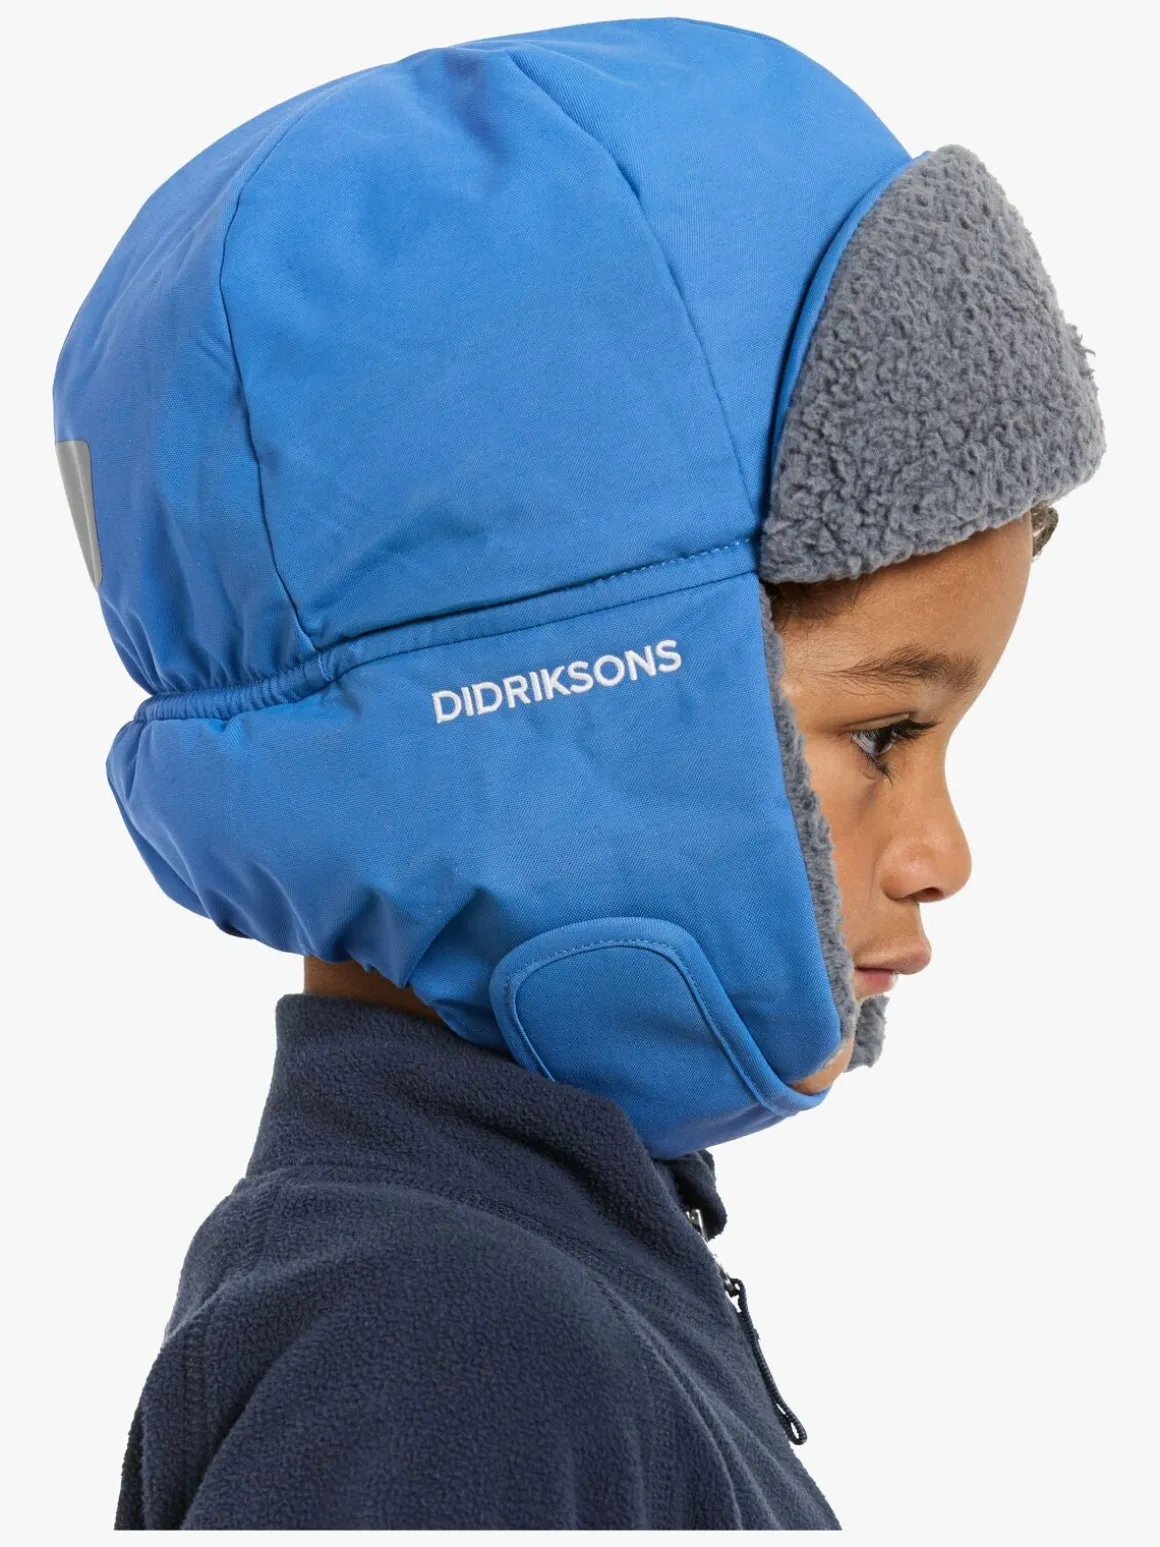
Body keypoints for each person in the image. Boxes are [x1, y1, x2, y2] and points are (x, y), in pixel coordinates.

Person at [53, 16, 1104, 1532]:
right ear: (522, 730)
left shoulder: (513, 1289)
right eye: (885, 735)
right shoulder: (439, 1349)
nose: (943, 852)